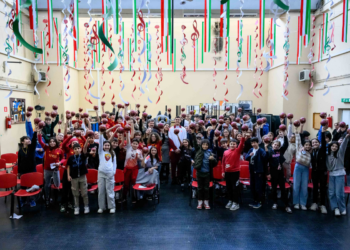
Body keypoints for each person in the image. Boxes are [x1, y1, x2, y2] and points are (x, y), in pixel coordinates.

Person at [265, 133, 292, 213]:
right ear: (272, 145)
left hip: (280, 173)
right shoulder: (269, 152)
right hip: (273, 173)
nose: (276, 146)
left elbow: (286, 144)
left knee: (283, 189)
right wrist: (268, 173)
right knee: (274, 189)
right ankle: (275, 203)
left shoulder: (280, 151)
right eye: (274, 144)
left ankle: (287, 205)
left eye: (277, 145)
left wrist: (285, 136)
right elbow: (266, 163)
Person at [191, 128, 217, 210]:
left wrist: (213, 159)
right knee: (199, 188)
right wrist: (193, 134)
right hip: (199, 173)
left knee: (206, 188)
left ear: (208, 145)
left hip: (207, 173)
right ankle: (200, 202)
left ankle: (206, 202)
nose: (205, 146)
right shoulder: (198, 150)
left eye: (206, 145)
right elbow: (195, 142)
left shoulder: (210, 153)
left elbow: (214, 164)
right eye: (203, 145)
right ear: (201, 145)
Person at [38, 133, 65, 207]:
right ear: (49, 143)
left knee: (57, 184)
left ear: (56, 142)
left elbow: (63, 158)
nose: (52, 143)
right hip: (47, 170)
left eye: (53, 141)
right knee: (47, 185)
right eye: (50, 142)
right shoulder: (46, 148)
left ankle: (57, 199)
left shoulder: (59, 150)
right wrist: (39, 133)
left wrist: (59, 163)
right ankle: (47, 199)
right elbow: (40, 141)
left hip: (56, 169)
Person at [327, 134, 349, 216]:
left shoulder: (340, 153)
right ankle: (335, 207)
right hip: (332, 175)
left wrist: (346, 137)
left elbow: (343, 145)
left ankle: (342, 208)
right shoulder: (328, 155)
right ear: (330, 147)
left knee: (339, 193)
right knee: (331, 193)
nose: (334, 147)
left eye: (336, 146)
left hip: (339, 174)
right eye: (332, 146)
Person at [222, 135, 246, 211]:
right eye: (231, 144)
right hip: (227, 172)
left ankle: (236, 203)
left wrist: (243, 138)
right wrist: (223, 171)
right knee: (228, 188)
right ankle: (230, 200)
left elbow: (241, 144)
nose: (232, 145)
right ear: (229, 144)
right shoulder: (225, 152)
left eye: (234, 144)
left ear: (236, 145)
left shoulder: (238, 151)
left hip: (235, 172)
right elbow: (223, 163)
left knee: (235, 188)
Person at [17, 124, 39, 207]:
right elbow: (19, 162)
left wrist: (35, 132)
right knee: (23, 186)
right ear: (22, 142)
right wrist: (19, 172)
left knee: (31, 186)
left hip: (32, 169)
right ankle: (22, 200)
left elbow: (34, 140)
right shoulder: (20, 151)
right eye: (26, 139)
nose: (28, 140)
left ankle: (31, 200)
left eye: (29, 139)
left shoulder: (31, 148)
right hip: (23, 170)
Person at [97, 128, 117, 214]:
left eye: (108, 145)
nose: (107, 146)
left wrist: (113, 172)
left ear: (110, 146)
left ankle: (112, 207)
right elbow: (101, 142)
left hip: (110, 174)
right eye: (105, 145)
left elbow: (115, 164)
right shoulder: (100, 151)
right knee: (101, 190)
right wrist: (101, 134)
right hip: (101, 173)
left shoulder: (112, 153)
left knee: (110, 190)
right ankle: (101, 207)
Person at [245, 137, 268, 209]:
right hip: (252, 171)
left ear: (258, 143)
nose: (253, 144)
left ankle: (259, 202)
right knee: (253, 187)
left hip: (259, 171)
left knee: (258, 187)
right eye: (252, 143)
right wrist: (249, 155)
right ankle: (255, 200)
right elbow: (246, 158)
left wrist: (266, 148)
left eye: (255, 142)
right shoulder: (251, 149)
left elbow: (266, 158)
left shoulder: (261, 150)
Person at [309, 127, 328, 214]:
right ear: (311, 144)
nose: (314, 143)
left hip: (322, 172)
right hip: (314, 172)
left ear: (319, 143)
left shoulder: (322, 150)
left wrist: (323, 132)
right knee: (315, 188)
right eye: (313, 142)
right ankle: (315, 203)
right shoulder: (311, 152)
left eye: (316, 142)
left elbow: (324, 143)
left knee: (323, 188)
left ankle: (323, 205)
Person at [293, 126, 312, 211]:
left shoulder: (311, 152)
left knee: (304, 186)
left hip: (305, 169)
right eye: (306, 145)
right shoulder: (299, 149)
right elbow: (298, 140)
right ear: (303, 145)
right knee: (296, 185)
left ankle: (303, 203)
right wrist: (298, 129)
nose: (307, 146)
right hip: (298, 167)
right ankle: (296, 203)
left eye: (309, 145)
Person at [67, 143, 89, 215]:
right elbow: (68, 167)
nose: (77, 150)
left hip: (82, 176)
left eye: (78, 148)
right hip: (74, 177)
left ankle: (86, 206)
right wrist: (68, 175)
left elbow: (85, 147)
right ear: (73, 150)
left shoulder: (83, 156)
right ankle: (76, 207)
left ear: (80, 149)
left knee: (84, 193)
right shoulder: (71, 158)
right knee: (75, 193)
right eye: (75, 149)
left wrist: (87, 139)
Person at [124, 133, 143, 203]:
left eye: (136, 144)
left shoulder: (139, 151)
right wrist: (128, 131)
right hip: (127, 168)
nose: (135, 145)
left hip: (135, 169)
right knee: (126, 183)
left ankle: (134, 197)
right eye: (134, 143)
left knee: (134, 183)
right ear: (131, 144)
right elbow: (128, 138)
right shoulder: (128, 148)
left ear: (138, 145)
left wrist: (139, 158)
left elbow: (142, 160)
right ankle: (124, 197)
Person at [168, 116, 187, 184]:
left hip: (181, 150)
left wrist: (180, 148)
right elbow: (170, 140)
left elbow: (184, 139)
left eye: (179, 119)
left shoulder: (184, 129)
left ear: (180, 120)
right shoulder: (171, 129)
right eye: (176, 119)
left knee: (180, 165)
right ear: (174, 120)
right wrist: (175, 149)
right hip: (173, 150)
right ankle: (173, 178)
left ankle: (179, 177)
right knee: (173, 165)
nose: (177, 121)